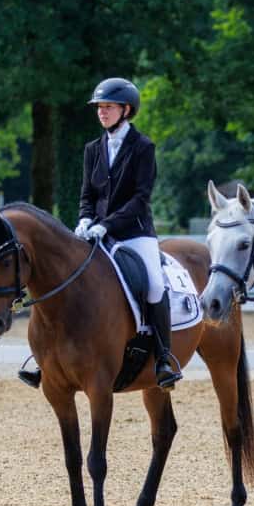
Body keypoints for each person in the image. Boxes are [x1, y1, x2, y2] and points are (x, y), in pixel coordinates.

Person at [76, 77, 181, 389]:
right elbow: (87, 196)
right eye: (99, 107)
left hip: (134, 232)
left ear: (126, 109)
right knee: (68, 276)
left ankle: (163, 358)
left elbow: (140, 198)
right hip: (95, 232)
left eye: (108, 107)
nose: (102, 112)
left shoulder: (143, 147)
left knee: (152, 285)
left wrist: (106, 224)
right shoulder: (92, 149)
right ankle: (47, 358)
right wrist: (84, 219)